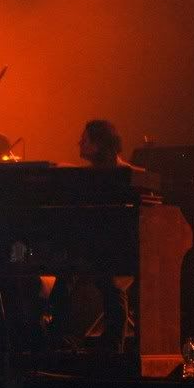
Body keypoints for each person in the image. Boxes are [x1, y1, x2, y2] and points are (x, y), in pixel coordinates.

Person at [49, 120, 140, 353]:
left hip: (116, 248)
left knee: (112, 286)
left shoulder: (126, 175)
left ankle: (113, 350)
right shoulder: (86, 176)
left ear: (99, 144)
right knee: (64, 278)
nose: (79, 143)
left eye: (85, 140)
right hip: (88, 245)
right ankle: (57, 339)